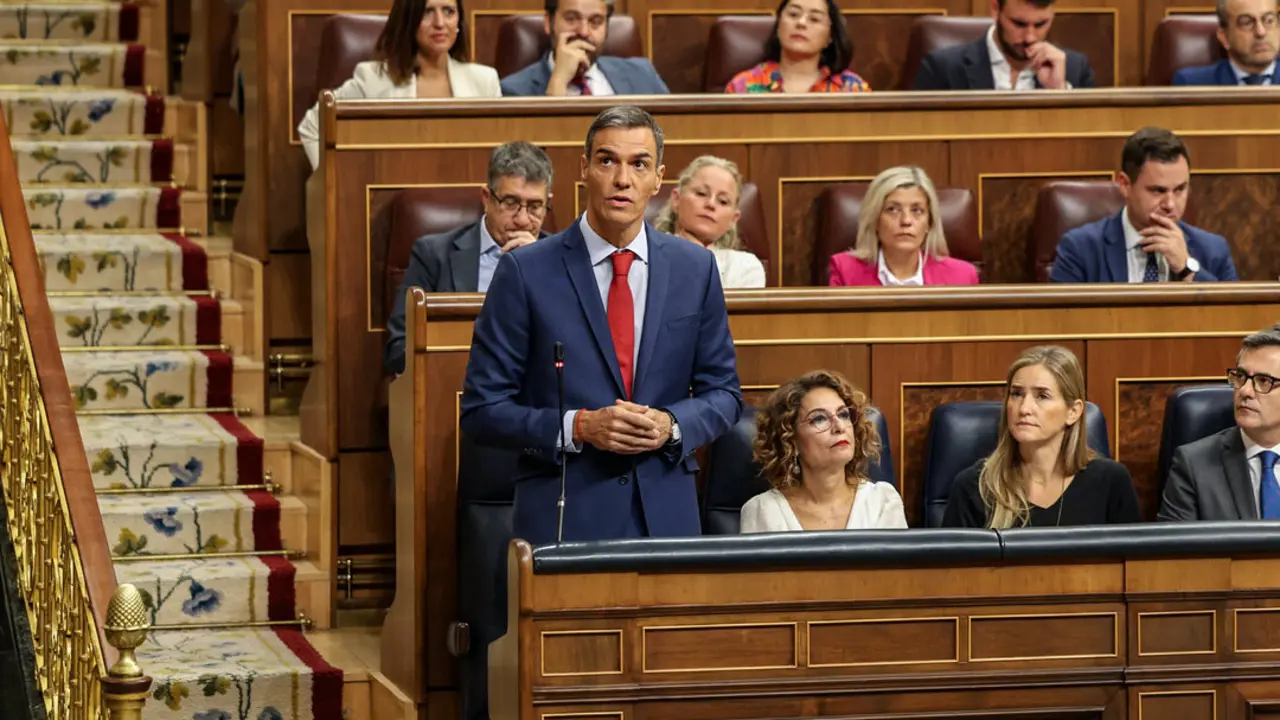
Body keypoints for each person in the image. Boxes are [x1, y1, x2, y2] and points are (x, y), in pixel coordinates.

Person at [459, 106, 743, 545]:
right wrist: (579, 426)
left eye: (639, 164)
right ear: (584, 169)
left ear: (658, 179)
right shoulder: (525, 271)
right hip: (565, 516)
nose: (622, 179)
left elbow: (724, 394)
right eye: (607, 160)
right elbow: (482, 410)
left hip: (666, 519)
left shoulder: (695, 268)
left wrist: (671, 424)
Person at [383, 142, 553, 375]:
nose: (523, 220)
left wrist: (539, 267)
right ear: (486, 198)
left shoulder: (561, 261)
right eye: (510, 203)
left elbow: (575, 348)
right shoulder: (433, 256)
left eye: (534, 206)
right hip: (457, 385)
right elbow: (398, 348)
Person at [942, 345, 1141, 528]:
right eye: (1017, 394)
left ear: (1073, 411)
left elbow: (1133, 555)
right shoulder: (975, 487)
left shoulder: (1110, 482)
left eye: (1042, 396)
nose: (1024, 408)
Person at [298, 0, 500, 169]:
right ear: (408, 20)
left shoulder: (484, 81)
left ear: (458, 21)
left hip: (468, 196)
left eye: (449, 11)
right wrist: (337, 183)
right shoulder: (374, 79)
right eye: (427, 12)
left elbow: (500, 159)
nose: (440, 23)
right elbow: (312, 126)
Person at [1050, 127, 1238, 283]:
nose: (1170, 204)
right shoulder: (1080, 249)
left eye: (1180, 189)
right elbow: (1062, 317)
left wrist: (1186, 268)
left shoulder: (1214, 250)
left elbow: (1232, 314)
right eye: (1158, 191)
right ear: (1125, 185)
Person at [741, 370, 906, 532]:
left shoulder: (882, 502)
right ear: (790, 440)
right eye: (819, 419)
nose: (839, 427)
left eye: (843, 415)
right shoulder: (763, 511)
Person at [1160, 325, 1280, 521]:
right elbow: (1175, 540)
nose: (1245, 391)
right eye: (1241, 377)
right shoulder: (1194, 464)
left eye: (1264, 381)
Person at [827, 166, 979, 287]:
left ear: (929, 223)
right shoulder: (845, 272)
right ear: (875, 220)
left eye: (916, 210)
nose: (906, 221)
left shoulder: (962, 276)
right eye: (892, 209)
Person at [913, 0, 1095, 91]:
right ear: (995, 10)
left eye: (1040, 24)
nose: (1030, 37)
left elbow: (1087, 145)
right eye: (1019, 24)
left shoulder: (1075, 70)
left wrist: (1058, 91)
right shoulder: (943, 68)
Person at [499, 0, 669, 96]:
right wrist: (558, 82)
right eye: (571, 19)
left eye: (596, 22)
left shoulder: (642, 74)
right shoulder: (513, 90)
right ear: (548, 23)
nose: (584, 32)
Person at [652, 156, 766, 289]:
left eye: (723, 201)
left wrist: (697, 258)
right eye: (701, 193)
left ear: (733, 219)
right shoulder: (647, 255)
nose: (711, 204)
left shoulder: (745, 267)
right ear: (676, 199)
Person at [724, 0, 869, 93]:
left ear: (829, 37)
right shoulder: (744, 86)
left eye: (814, 19)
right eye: (793, 14)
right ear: (778, 27)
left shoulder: (851, 88)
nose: (801, 23)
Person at [1172, 0, 1279, 85]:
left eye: (1269, 20)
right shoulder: (1192, 84)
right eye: (1246, 23)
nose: (1261, 32)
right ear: (1224, 37)